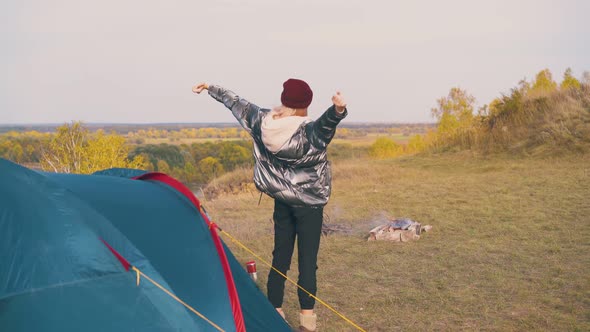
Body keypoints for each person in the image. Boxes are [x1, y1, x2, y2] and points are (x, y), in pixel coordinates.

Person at [192, 79, 347, 332]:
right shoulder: (310, 132)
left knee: (280, 256)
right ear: (304, 105)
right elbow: (326, 125)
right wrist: (338, 110)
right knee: (307, 261)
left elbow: (236, 103)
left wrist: (210, 88)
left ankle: (275, 310)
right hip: (309, 206)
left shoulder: (263, 121)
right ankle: (307, 320)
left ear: (285, 101)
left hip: (282, 201)